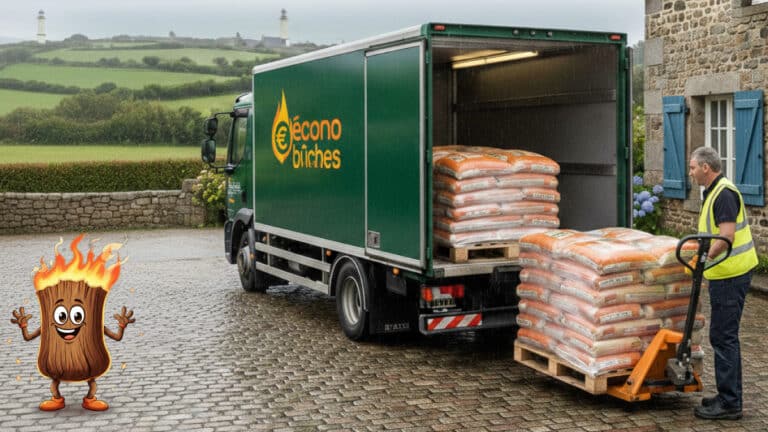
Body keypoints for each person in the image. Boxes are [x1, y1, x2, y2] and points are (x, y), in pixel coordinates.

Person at [687, 146, 757, 420]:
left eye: (693, 168)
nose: (691, 173)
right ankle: (729, 396)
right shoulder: (714, 191)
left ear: (706, 167)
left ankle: (730, 403)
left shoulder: (724, 194)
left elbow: (725, 236)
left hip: (731, 274)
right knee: (722, 335)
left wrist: (701, 259)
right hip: (724, 275)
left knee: (723, 336)